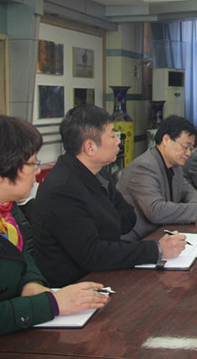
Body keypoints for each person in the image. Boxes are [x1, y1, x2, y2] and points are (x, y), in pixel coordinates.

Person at [31, 105, 187, 287]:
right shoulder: (63, 189)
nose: (118, 141)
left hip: (104, 271)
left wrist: (102, 225)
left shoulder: (98, 173)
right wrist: (157, 249)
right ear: (90, 147)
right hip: (76, 285)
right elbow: (93, 254)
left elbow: (128, 217)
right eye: (112, 136)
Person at [0, 115, 108, 337]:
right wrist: (49, 304)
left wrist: (31, 283)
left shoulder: (6, 209)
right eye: (31, 163)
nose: (37, 170)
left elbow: (22, 256)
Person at [117, 116, 197, 241]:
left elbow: (192, 192)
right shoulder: (144, 167)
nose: (188, 153)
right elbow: (156, 211)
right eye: (185, 147)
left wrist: (196, 207)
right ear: (166, 140)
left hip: (163, 234)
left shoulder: (175, 166)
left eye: (191, 149)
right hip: (139, 242)